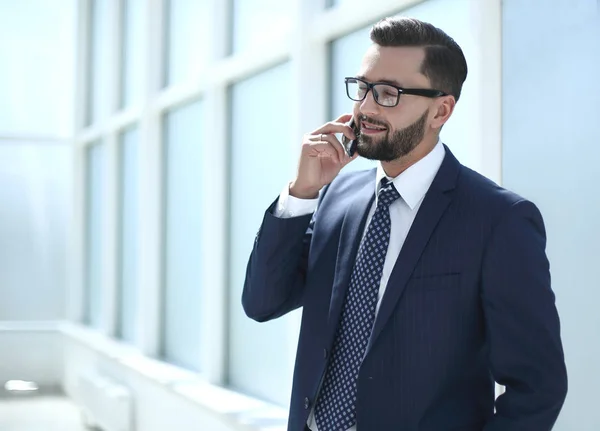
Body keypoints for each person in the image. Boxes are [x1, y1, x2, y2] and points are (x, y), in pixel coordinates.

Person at [242, 17, 567, 431]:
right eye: (363, 88)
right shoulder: (335, 198)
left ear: (441, 110)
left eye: (389, 93)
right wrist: (302, 192)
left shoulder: (499, 221)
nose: (366, 108)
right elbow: (262, 302)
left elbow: (538, 387)